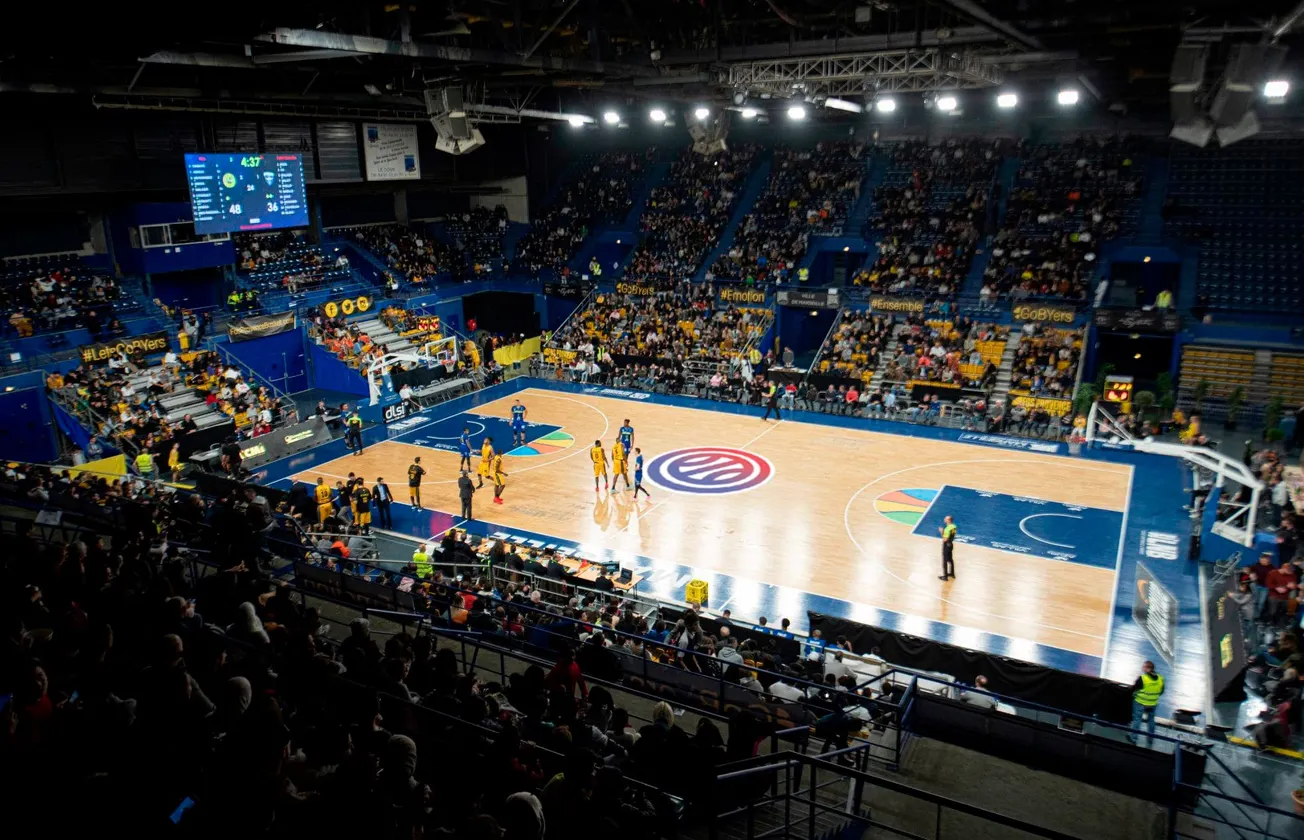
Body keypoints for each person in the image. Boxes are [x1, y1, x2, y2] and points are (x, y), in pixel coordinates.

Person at [1129, 660, 1164, 743]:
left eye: (1143, 666)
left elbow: (1134, 689)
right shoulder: (1160, 678)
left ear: (1147, 668)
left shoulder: (1143, 678)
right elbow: (1161, 691)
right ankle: (1150, 739)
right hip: (1152, 704)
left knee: (1137, 719)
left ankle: (1133, 738)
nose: (1142, 668)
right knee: (1151, 720)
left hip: (1140, 703)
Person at [938, 515, 957, 581]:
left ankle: (945, 576)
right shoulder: (954, 526)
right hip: (951, 544)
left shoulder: (947, 529)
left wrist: (941, 532)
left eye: (946, 518)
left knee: (945, 561)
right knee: (950, 559)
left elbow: (945, 539)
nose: (944, 519)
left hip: (946, 545)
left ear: (949, 520)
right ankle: (952, 574)